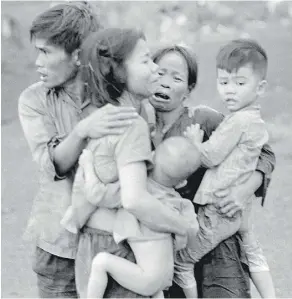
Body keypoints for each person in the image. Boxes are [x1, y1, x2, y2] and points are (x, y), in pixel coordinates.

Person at [18, 3, 171, 298]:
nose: (37, 61)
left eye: (46, 52)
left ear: (77, 56)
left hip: (117, 243)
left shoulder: (123, 99)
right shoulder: (34, 100)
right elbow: (52, 166)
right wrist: (82, 131)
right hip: (60, 246)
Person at [72, 28, 199, 298]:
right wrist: (182, 226)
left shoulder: (104, 114)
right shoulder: (132, 124)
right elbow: (134, 199)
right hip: (118, 246)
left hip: (93, 240)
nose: (155, 69)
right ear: (117, 71)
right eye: (145, 61)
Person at [148, 45, 276, 298]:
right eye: (160, 74)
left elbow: (264, 152)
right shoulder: (136, 123)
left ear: (189, 90)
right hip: (164, 238)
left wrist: (244, 189)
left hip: (214, 230)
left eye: (176, 78)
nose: (165, 83)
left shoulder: (203, 119)